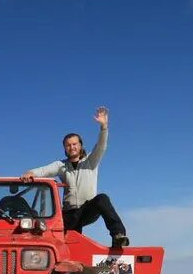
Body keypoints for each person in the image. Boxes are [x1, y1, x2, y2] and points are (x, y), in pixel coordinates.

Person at [22, 106, 129, 248]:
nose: (71, 147)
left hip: (86, 210)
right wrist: (31, 172)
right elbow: (44, 170)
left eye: (74, 144)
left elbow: (101, 146)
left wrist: (104, 127)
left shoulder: (91, 161)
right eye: (68, 145)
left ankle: (118, 235)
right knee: (62, 238)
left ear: (80, 146)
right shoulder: (61, 165)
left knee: (102, 198)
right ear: (64, 148)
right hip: (69, 214)